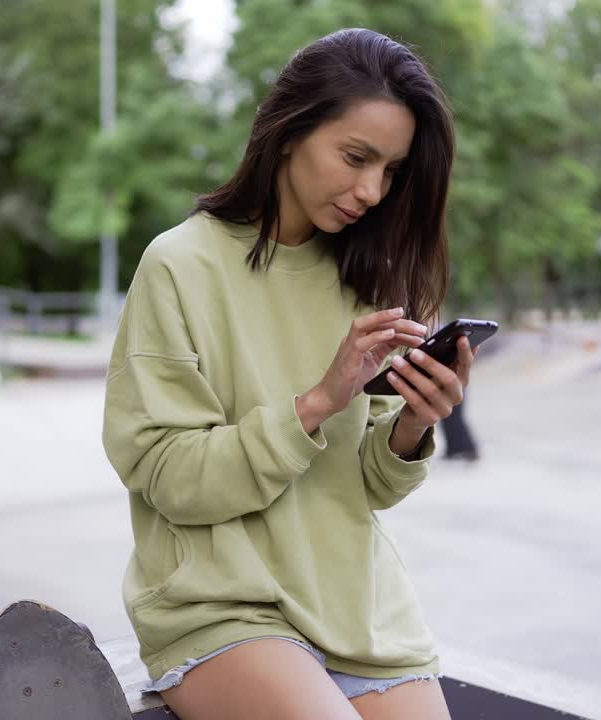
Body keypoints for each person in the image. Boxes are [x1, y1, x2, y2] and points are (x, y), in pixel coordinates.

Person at [102, 28, 477, 720]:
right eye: (356, 157)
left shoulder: (365, 278)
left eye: (391, 172)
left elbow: (368, 488)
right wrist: (318, 402)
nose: (371, 191)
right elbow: (165, 474)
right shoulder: (180, 265)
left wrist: (415, 424)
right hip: (222, 608)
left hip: (359, 608)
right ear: (288, 131)